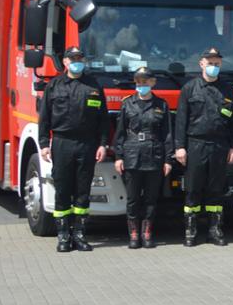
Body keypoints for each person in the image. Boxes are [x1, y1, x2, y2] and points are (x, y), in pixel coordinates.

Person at [39, 47, 108, 252]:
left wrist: (103, 144)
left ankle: (79, 234)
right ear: (65, 62)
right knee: (62, 188)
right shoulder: (54, 86)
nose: (77, 62)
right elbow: (44, 118)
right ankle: (63, 236)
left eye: (80, 58)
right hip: (62, 143)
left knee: (83, 191)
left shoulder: (93, 86)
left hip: (87, 144)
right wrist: (44, 144)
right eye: (73, 59)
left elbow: (103, 119)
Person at [173, 48, 233, 247]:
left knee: (216, 190)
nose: (214, 67)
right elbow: (181, 120)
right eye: (210, 63)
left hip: (220, 146)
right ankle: (191, 230)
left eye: (217, 63)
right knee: (193, 189)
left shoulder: (227, 90)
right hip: (195, 144)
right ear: (201, 64)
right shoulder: (190, 88)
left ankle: (215, 229)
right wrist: (180, 147)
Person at [113, 67, 170, 250]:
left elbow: (167, 134)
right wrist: (118, 156)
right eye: (138, 82)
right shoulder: (127, 104)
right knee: (132, 199)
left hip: (154, 155)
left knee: (151, 199)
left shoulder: (161, 105)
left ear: (153, 83)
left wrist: (168, 160)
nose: (142, 85)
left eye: (145, 82)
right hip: (132, 155)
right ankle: (134, 234)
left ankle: (147, 234)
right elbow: (120, 133)